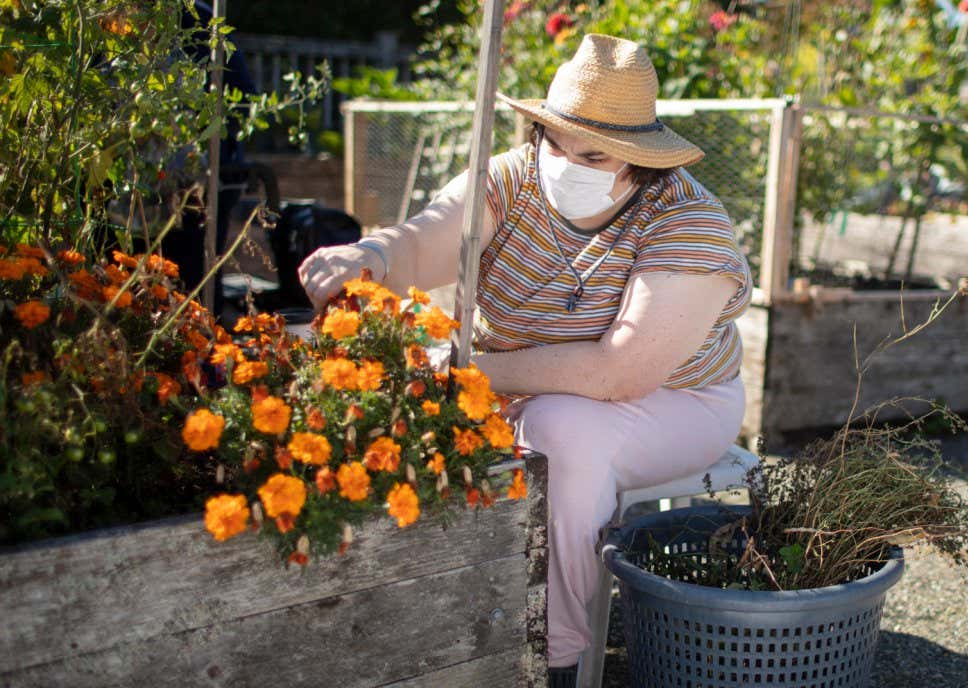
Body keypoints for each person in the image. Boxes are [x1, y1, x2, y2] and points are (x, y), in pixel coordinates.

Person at [300, 34, 750, 686]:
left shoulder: (688, 221)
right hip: (522, 385)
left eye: (592, 153)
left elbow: (621, 373)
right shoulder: (510, 178)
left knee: (561, 433)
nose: (565, 162)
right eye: (554, 140)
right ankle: (443, 624)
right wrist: (373, 257)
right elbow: (436, 236)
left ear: (639, 161)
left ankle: (557, 655)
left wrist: (465, 376)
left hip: (677, 403)